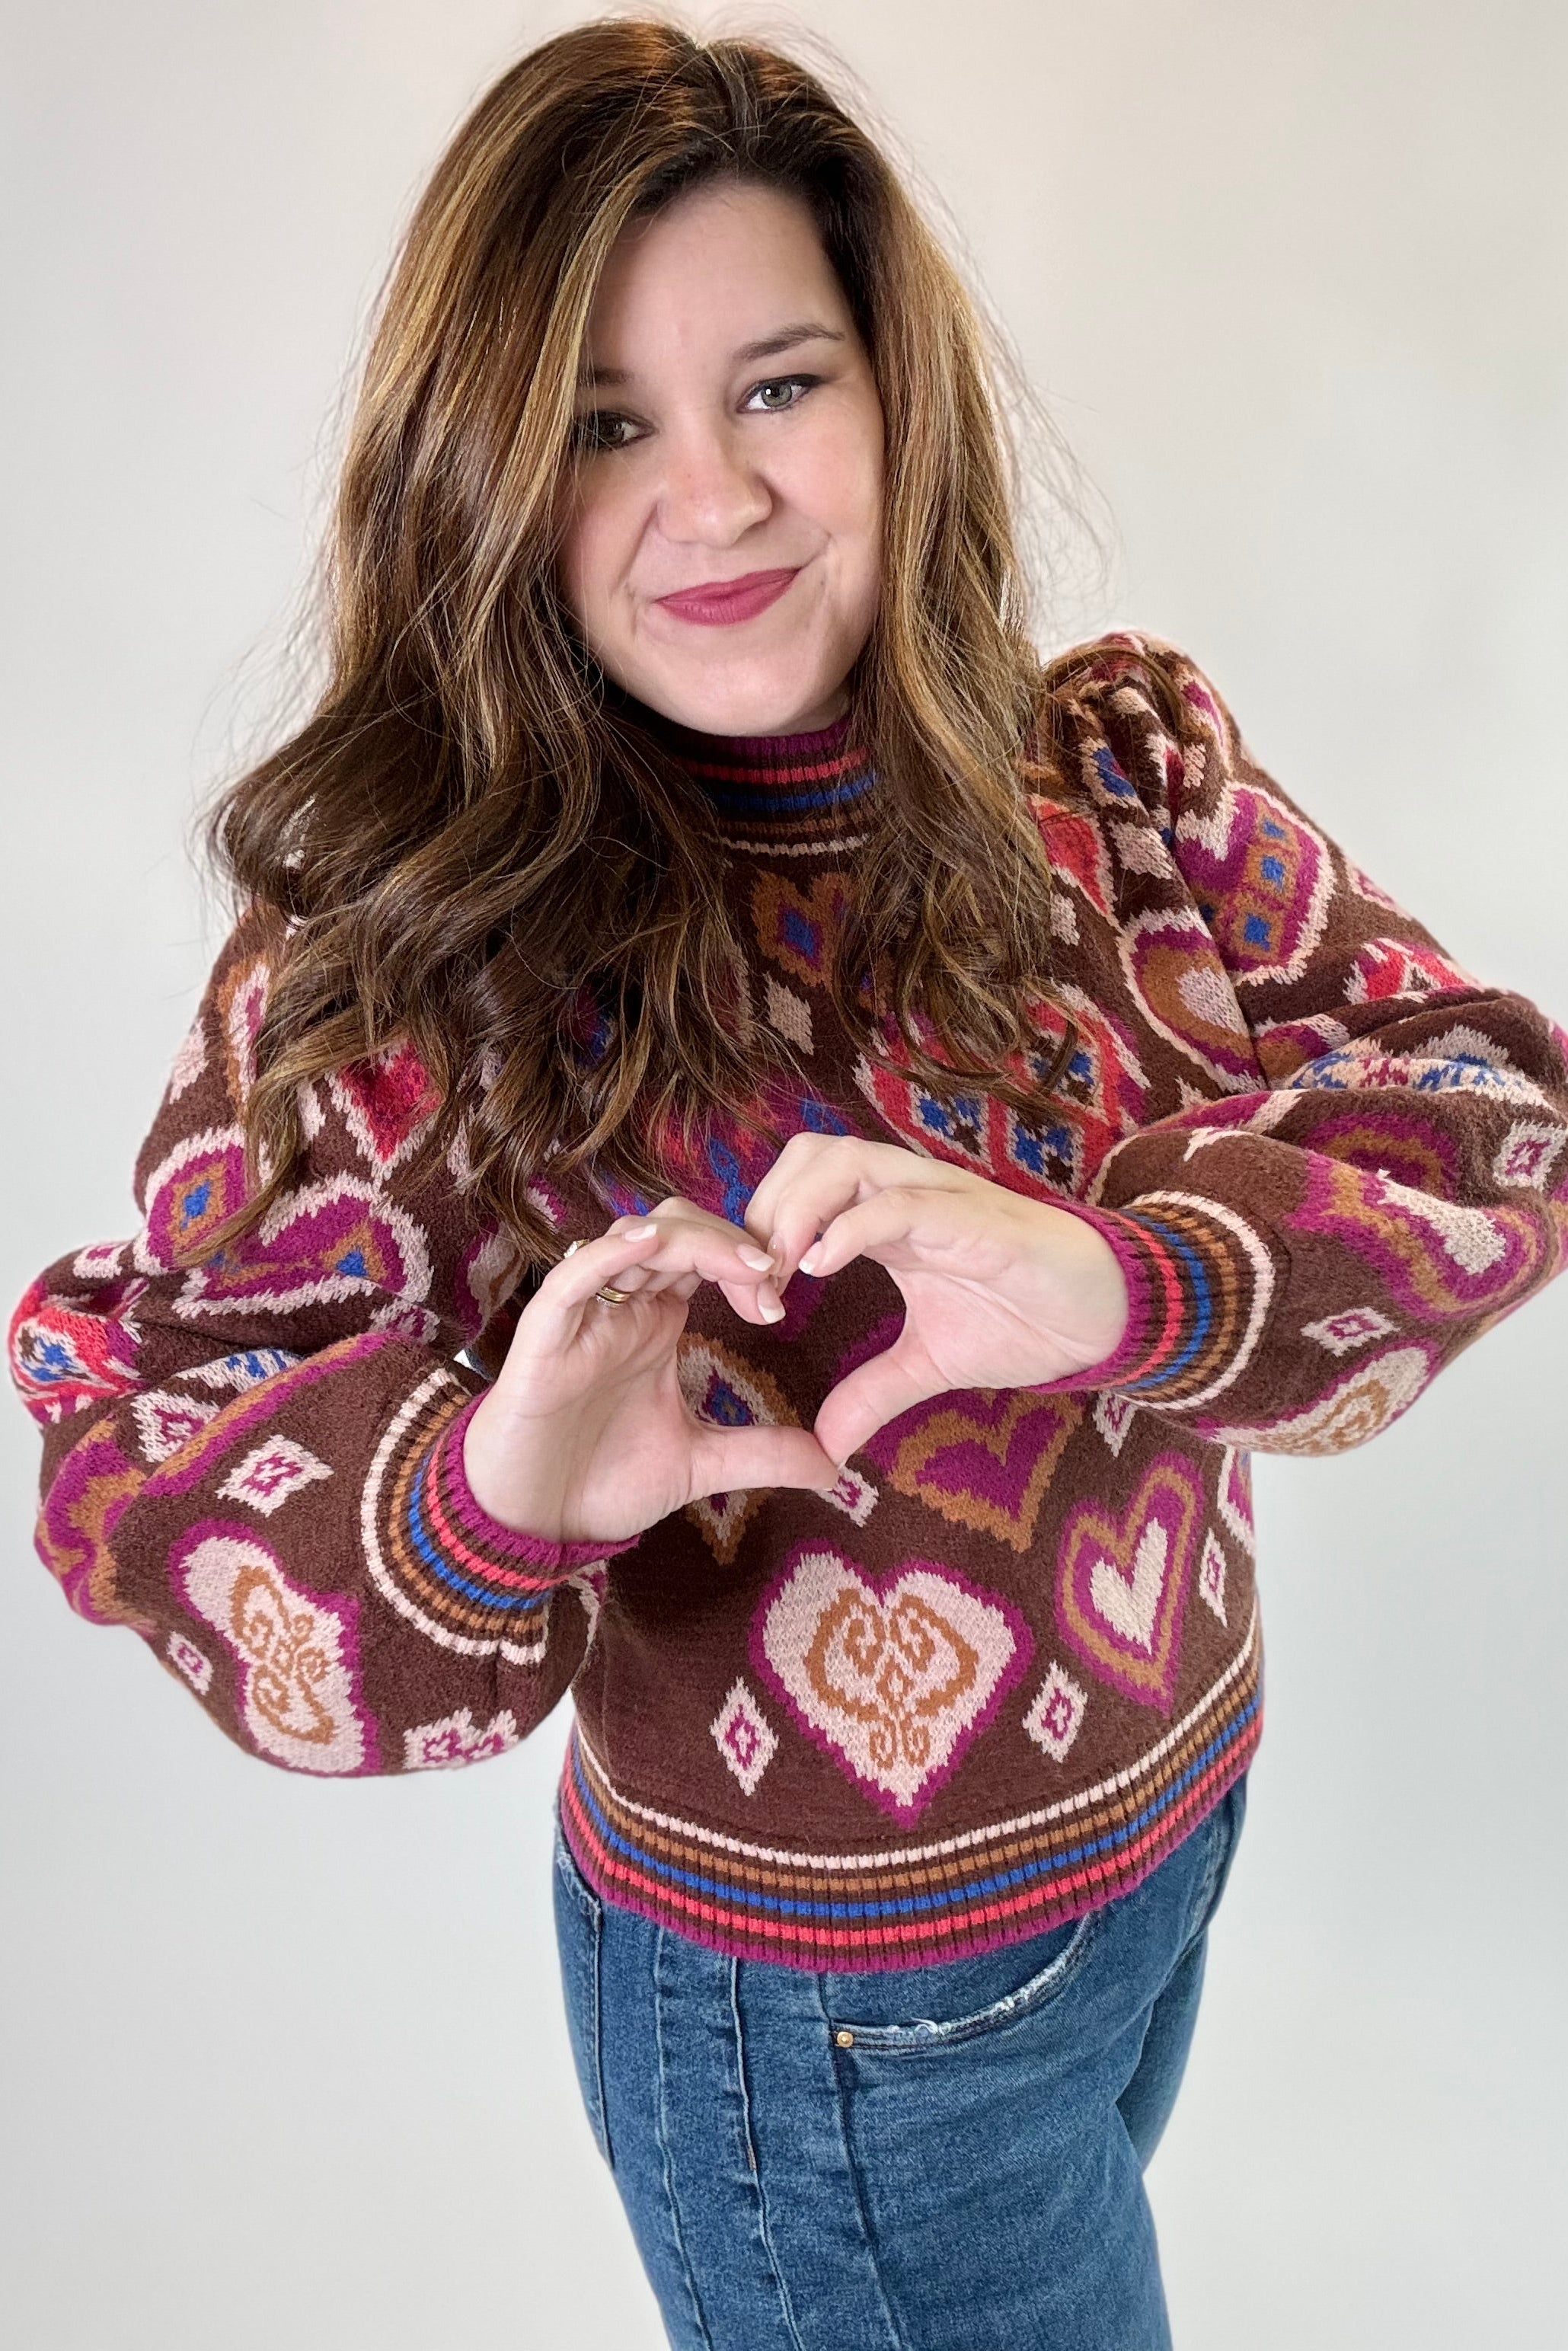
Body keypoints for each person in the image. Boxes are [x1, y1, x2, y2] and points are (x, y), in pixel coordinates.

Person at [9, 19, 1566, 2349]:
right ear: (476, 473)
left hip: (1164, 1853)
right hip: (822, 2036)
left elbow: (1485, 1110)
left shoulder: (1116, 778)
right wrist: (490, 1496)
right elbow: (132, 1439)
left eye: (776, 386)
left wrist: (1128, 1281)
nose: (715, 498)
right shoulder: (418, 960)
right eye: (601, 427)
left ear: (892, 390)